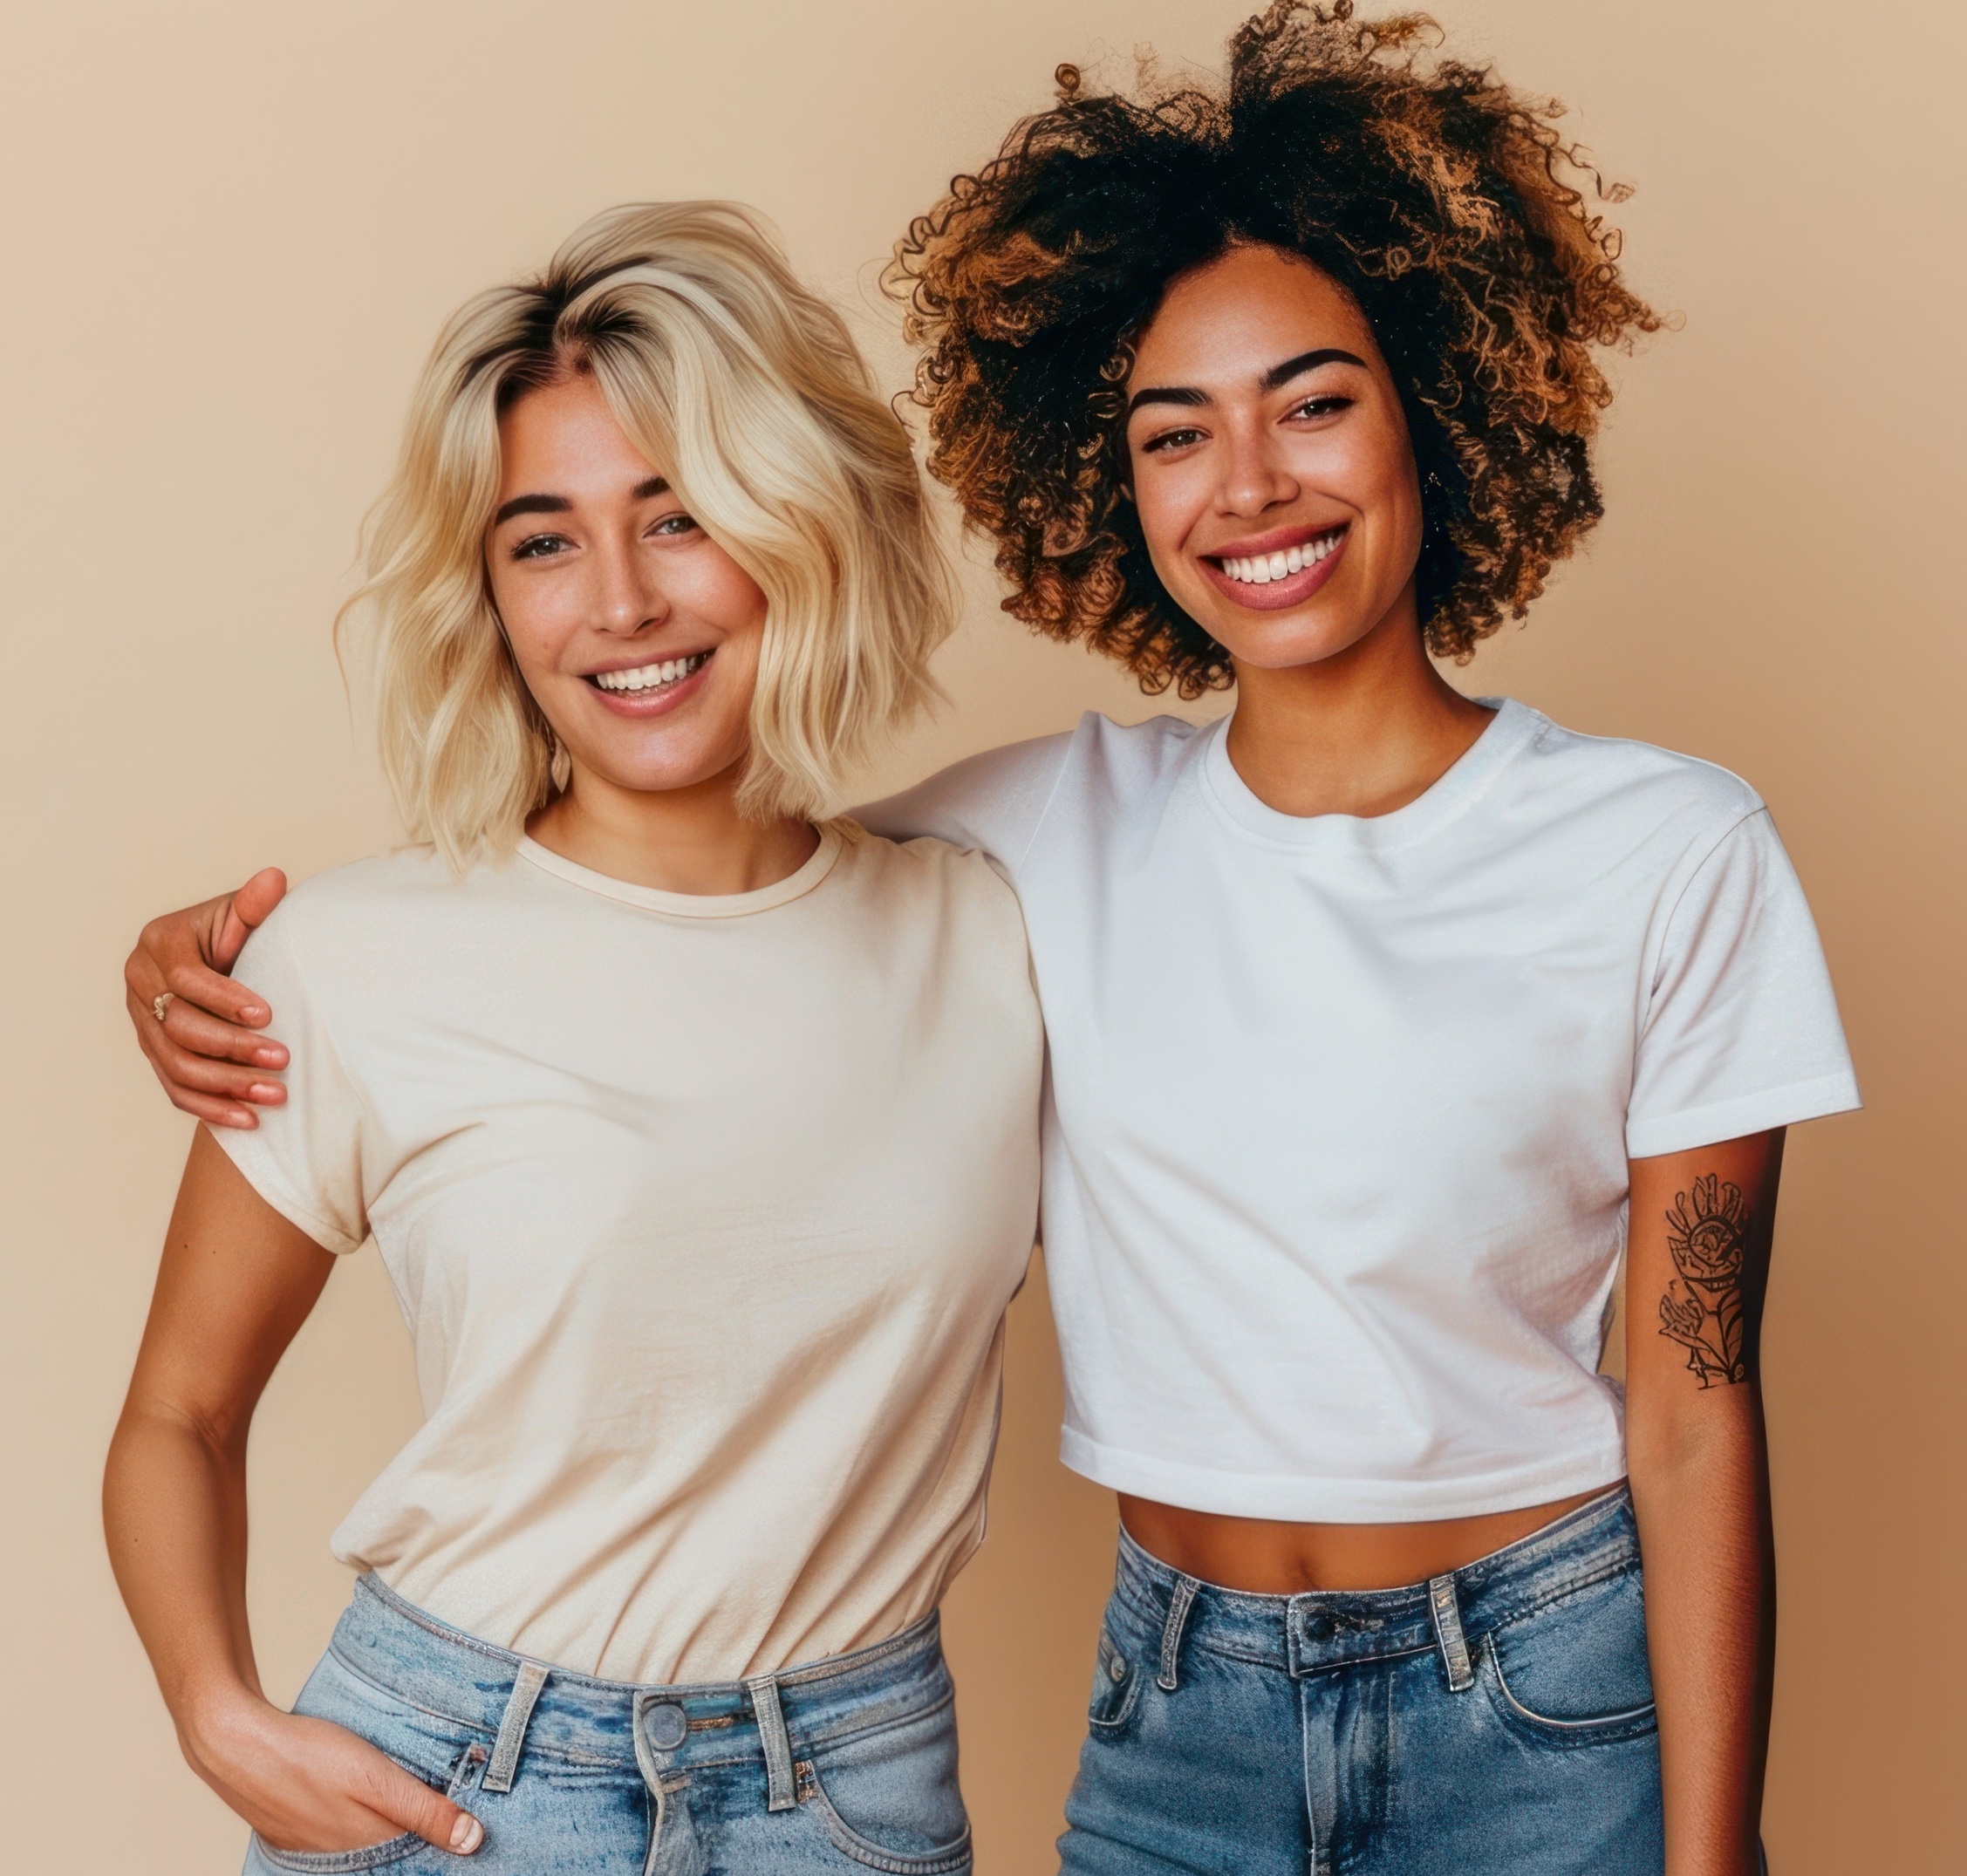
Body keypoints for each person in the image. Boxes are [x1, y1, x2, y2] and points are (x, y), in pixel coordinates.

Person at [124, 8, 1861, 1874]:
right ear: (1113, 482)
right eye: (1174, 430)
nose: (1249, 481)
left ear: (1432, 401)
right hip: (1154, 1707)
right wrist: (191, 964)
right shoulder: (1041, 835)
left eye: (1317, 400)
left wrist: (1717, 1846)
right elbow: (692, 894)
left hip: (1525, 1678)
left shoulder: (1659, 847)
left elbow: (1696, 1392)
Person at [104, 201, 1042, 1876]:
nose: (619, 601)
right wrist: (217, 1716)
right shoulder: (353, 956)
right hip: (456, 1774)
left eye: (678, 519)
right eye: (543, 541)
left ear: (806, 523)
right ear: (490, 594)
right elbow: (178, 1411)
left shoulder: (994, 930)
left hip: (855, 1789)